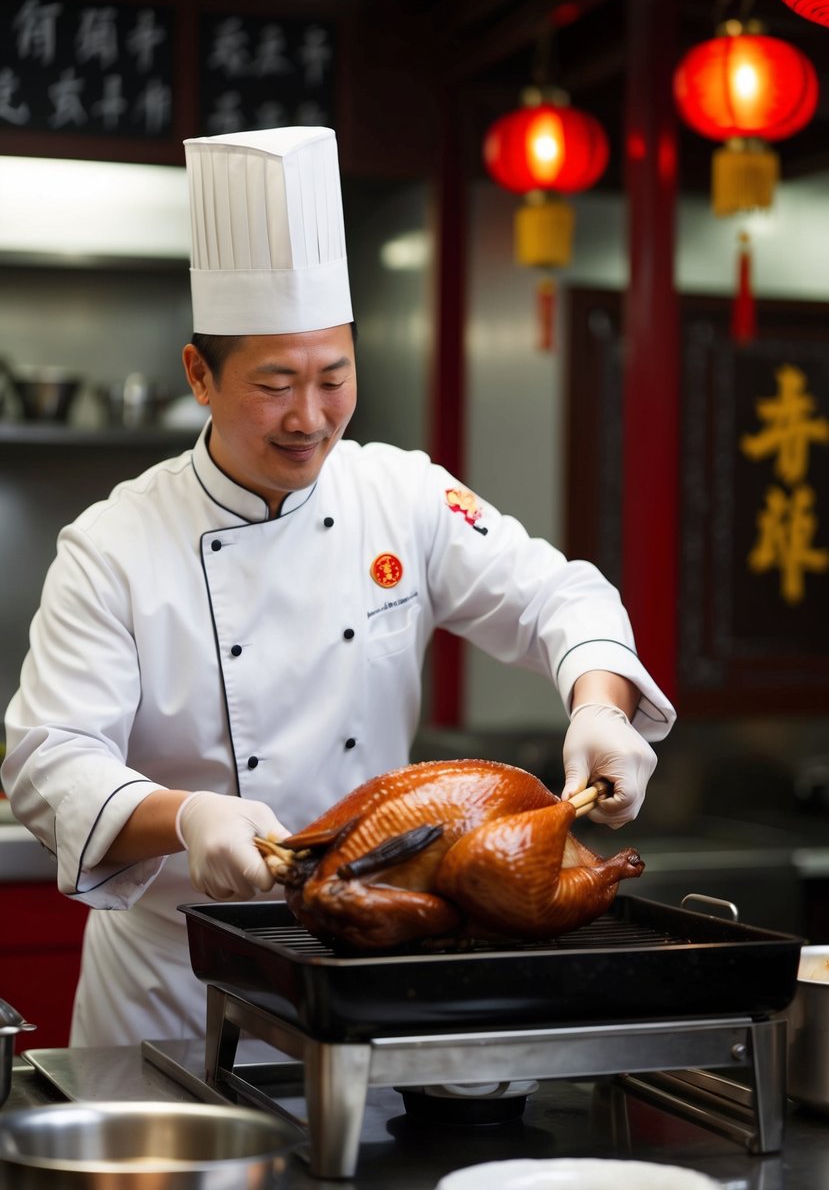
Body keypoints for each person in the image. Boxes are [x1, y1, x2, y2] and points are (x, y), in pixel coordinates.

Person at [2, 126, 676, 1048]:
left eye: (333, 376)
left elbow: (556, 596)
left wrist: (598, 705)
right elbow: (48, 763)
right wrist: (185, 815)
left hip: (375, 955)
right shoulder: (114, 544)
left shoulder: (399, 493)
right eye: (274, 384)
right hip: (172, 982)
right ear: (198, 375)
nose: (309, 418)